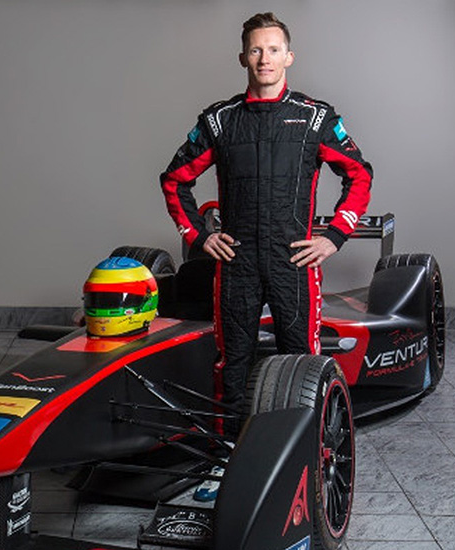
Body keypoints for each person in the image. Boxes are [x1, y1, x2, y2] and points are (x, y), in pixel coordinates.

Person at [160, 12, 373, 437]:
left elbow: (359, 175)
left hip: (293, 262)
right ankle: (228, 453)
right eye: (256, 50)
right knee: (232, 364)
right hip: (236, 264)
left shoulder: (315, 119)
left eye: (273, 50)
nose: (264, 59)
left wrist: (334, 237)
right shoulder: (219, 121)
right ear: (243, 58)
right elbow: (175, 180)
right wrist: (199, 237)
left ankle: (305, 452)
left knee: (302, 362)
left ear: (289, 57)